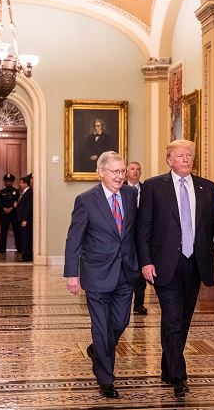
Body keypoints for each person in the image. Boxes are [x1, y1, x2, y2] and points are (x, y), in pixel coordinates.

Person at [136, 139, 214, 398]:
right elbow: (143, 227)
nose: (186, 160)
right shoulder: (154, 187)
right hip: (165, 264)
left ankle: (168, 367)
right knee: (172, 318)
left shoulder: (207, 187)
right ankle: (179, 376)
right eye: (180, 156)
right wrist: (146, 261)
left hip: (196, 261)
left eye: (189, 155)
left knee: (184, 318)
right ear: (169, 160)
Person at [64, 151, 139, 399]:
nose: (120, 176)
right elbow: (74, 238)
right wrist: (72, 274)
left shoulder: (130, 195)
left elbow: (134, 232)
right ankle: (106, 379)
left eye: (122, 171)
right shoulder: (85, 200)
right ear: (101, 173)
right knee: (101, 326)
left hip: (126, 272)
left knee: (120, 323)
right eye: (115, 171)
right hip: (96, 273)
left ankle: (97, 350)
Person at [125, 161, 147, 316]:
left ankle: (139, 304)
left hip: (142, 237)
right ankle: (123, 303)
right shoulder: (121, 188)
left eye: (138, 169)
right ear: (126, 172)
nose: (135, 171)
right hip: (125, 236)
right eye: (132, 169)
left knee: (141, 270)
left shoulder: (147, 189)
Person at [0, 173, 22, 254]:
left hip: (14, 214)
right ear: (4, 182)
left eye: (10, 181)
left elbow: (18, 202)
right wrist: (4, 208)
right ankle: (1, 250)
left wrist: (11, 208)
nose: (8, 183)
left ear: (13, 182)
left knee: (17, 231)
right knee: (3, 232)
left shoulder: (16, 192)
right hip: (4, 215)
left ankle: (20, 248)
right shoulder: (2, 192)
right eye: (7, 181)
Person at [16, 175, 33, 262]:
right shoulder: (24, 193)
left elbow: (28, 207)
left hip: (25, 220)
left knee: (25, 238)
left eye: (21, 183)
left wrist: (25, 219)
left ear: (25, 184)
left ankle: (26, 256)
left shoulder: (29, 193)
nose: (19, 184)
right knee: (24, 237)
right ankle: (25, 255)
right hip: (22, 219)